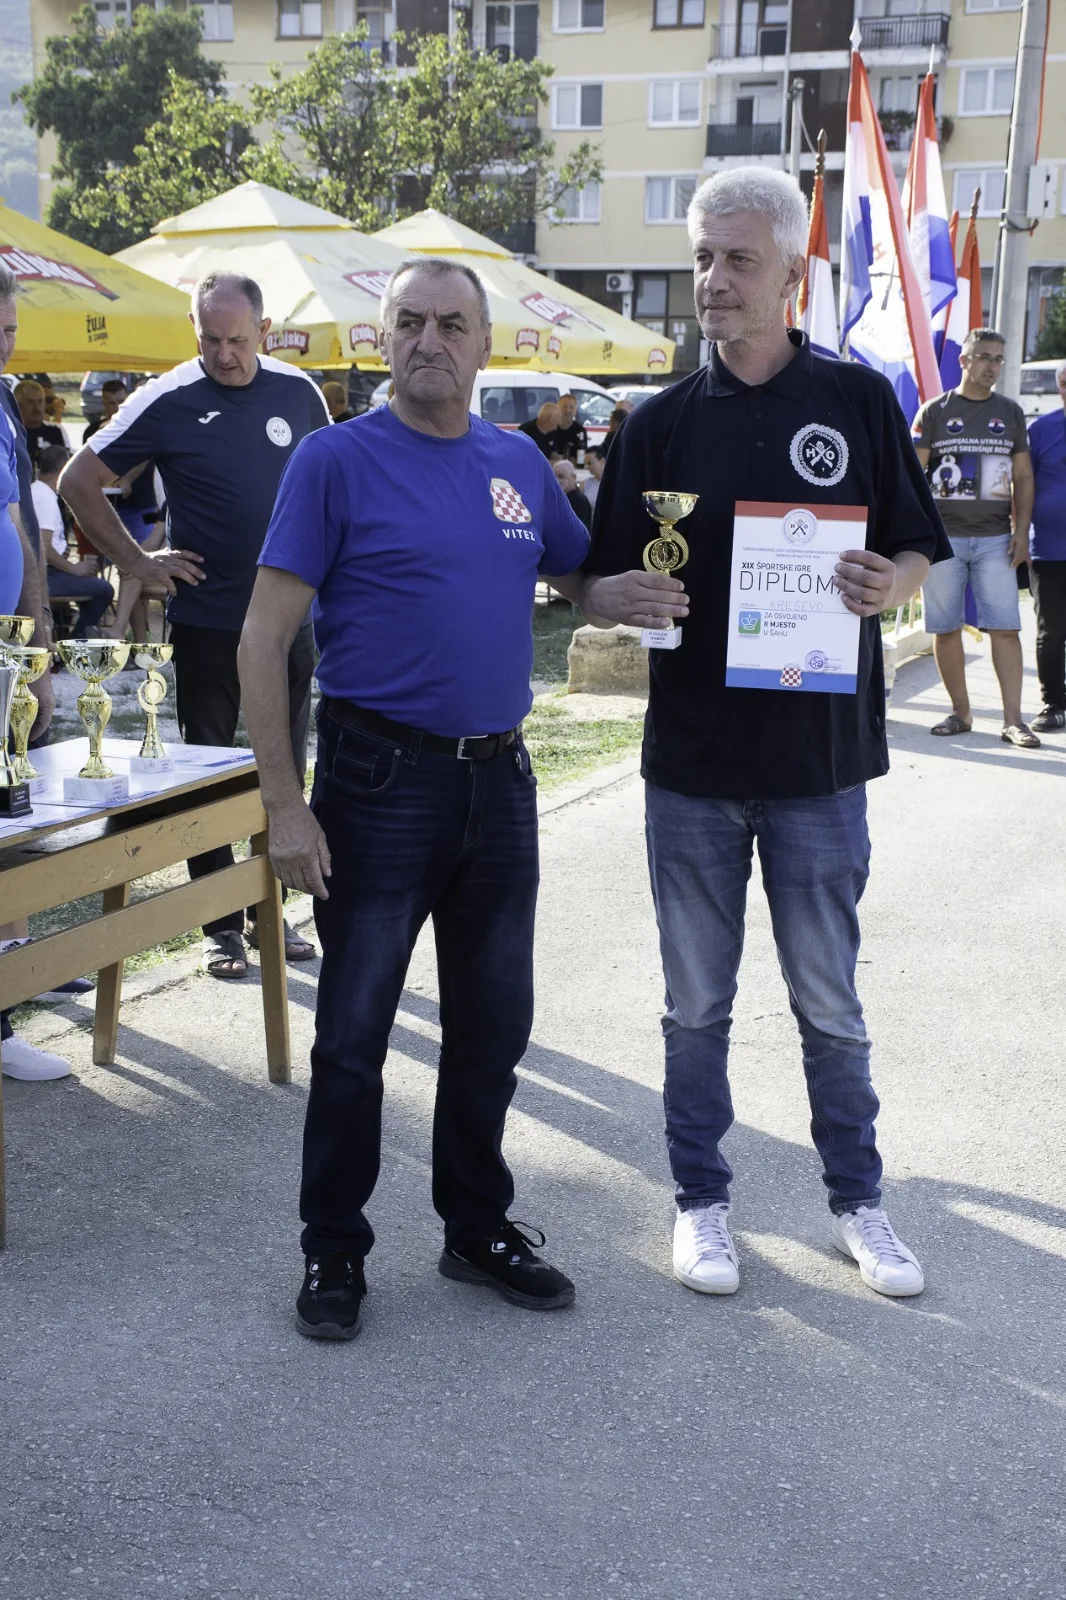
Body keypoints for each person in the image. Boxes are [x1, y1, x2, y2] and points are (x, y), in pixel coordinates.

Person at [580, 166, 950, 1301]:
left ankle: (858, 1204)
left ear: (792, 271)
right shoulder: (657, 424)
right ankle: (700, 1201)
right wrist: (618, 598)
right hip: (690, 769)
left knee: (829, 1007)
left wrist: (892, 583)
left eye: (737, 259)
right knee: (695, 1008)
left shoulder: (856, 402)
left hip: (817, 769)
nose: (712, 280)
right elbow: (596, 578)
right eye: (702, 257)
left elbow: (917, 547)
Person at [238, 256, 594, 1339]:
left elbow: (577, 573)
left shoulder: (517, 461)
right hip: (376, 781)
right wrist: (284, 805)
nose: (429, 340)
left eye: (450, 324)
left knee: (493, 1026)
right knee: (353, 1036)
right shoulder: (335, 460)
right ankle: (333, 1249)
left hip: (502, 779)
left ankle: (475, 1227)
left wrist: (631, 588)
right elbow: (263, 637)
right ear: (381, 338)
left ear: (486, 345)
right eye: (409, 322)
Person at [60, 271, 331, 979]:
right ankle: (222, 926)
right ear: (195, 331)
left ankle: (270, 909)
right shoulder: (169, 396)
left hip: (289, 620)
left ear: (264, 331)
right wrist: (136, 561)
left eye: (237, 340)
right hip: (210, 619)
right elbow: (77, 481)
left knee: (284, 768)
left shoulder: (299, 392)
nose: (224, 354)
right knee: (208, 771)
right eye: (210, 339)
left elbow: (336, 485)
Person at [0, 266, 74, 1083]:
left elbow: (16, 523)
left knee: (8, 822)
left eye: (11, 332)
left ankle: (9, 997)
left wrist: (38, 647)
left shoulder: (1, 404)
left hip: (5, 656)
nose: (5, 347)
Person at [912, 328, 1037, 747]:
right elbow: (913, 474)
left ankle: (1014, 721)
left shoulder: (1011, 412)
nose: (992, 366)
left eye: (998, 359)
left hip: (995, 540)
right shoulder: (934, 411)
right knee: (946, 628)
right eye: (984, 357)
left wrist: (1022, 531)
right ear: (964, 360)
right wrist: (918, 534)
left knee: (1005, 628)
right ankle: (960, 713)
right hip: (943, 540)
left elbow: (1023, 476)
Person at [1024, 358, 1066, 732]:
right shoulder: (1041, 429)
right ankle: (1054, 703)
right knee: (1051, 631)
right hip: (1049, 550)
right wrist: (1019, 534)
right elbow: (1022, 485)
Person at [33, 445, 116, 634]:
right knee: (105, 590)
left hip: (45, 571)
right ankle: (75, 643)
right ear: (64, 468)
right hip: (46, 575)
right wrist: (73, 568)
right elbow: (43, 547)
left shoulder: (37, 490)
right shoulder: (45, 498)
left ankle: (69, 635)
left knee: (91, 585)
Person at [13, 380, 65, 469]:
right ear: (17, 405)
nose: (37, 407)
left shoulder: (56, 431)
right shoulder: (10, 434)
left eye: (40, 401)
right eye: (30, 402)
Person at [552, 457, 592, 531]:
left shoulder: (579, 501)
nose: (557, 480)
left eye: (561, 476)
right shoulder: (558, 498)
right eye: (554, 477)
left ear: (573, 477)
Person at [82, 379, 127, 444]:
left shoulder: (137, 429)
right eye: (111, 403)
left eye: (121, 402)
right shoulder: (92, 431)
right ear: (104, 404)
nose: (117, 407)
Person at [550, 393, 588, 465]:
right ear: (557, 408)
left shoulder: (580, 431)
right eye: (564, 406)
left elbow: (582, 458)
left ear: (575, 410)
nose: (568, 410)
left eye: (571, 407)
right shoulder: (550, 427)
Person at [584, 444, 606, 511]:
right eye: (585, 463)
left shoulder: (615, 483)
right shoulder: (586, 484)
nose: (587, 467)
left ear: (602, 461)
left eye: (589, 463)